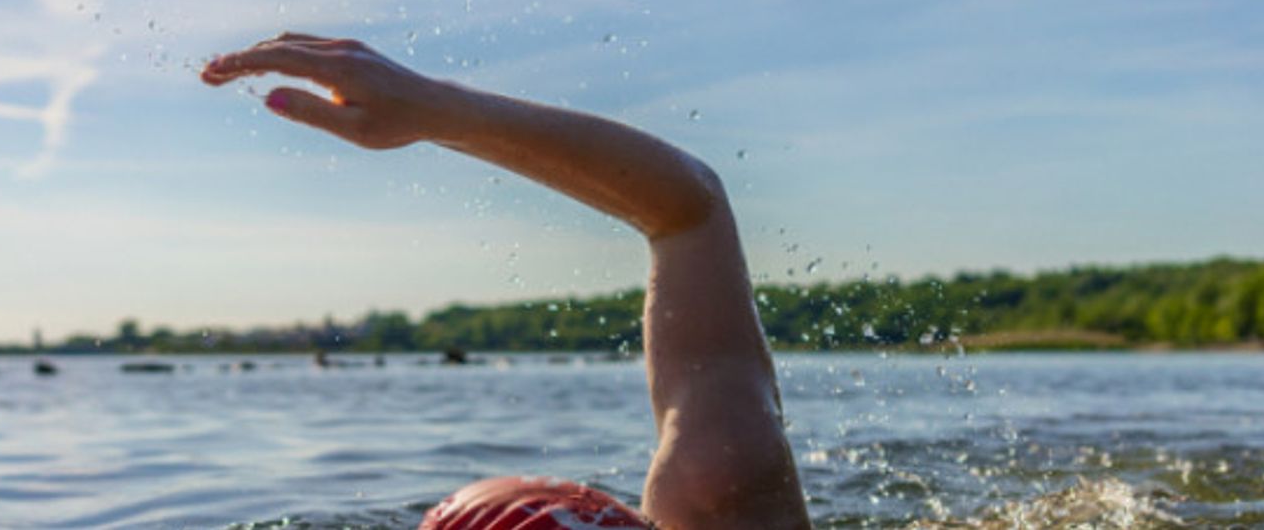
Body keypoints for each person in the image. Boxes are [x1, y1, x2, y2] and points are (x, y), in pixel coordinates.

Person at [202, 33, 812, 530]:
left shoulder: (724, 487)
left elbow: (689, 216)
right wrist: (436, 108)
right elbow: (690, 212)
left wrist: (436, 111)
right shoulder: (724, 488)